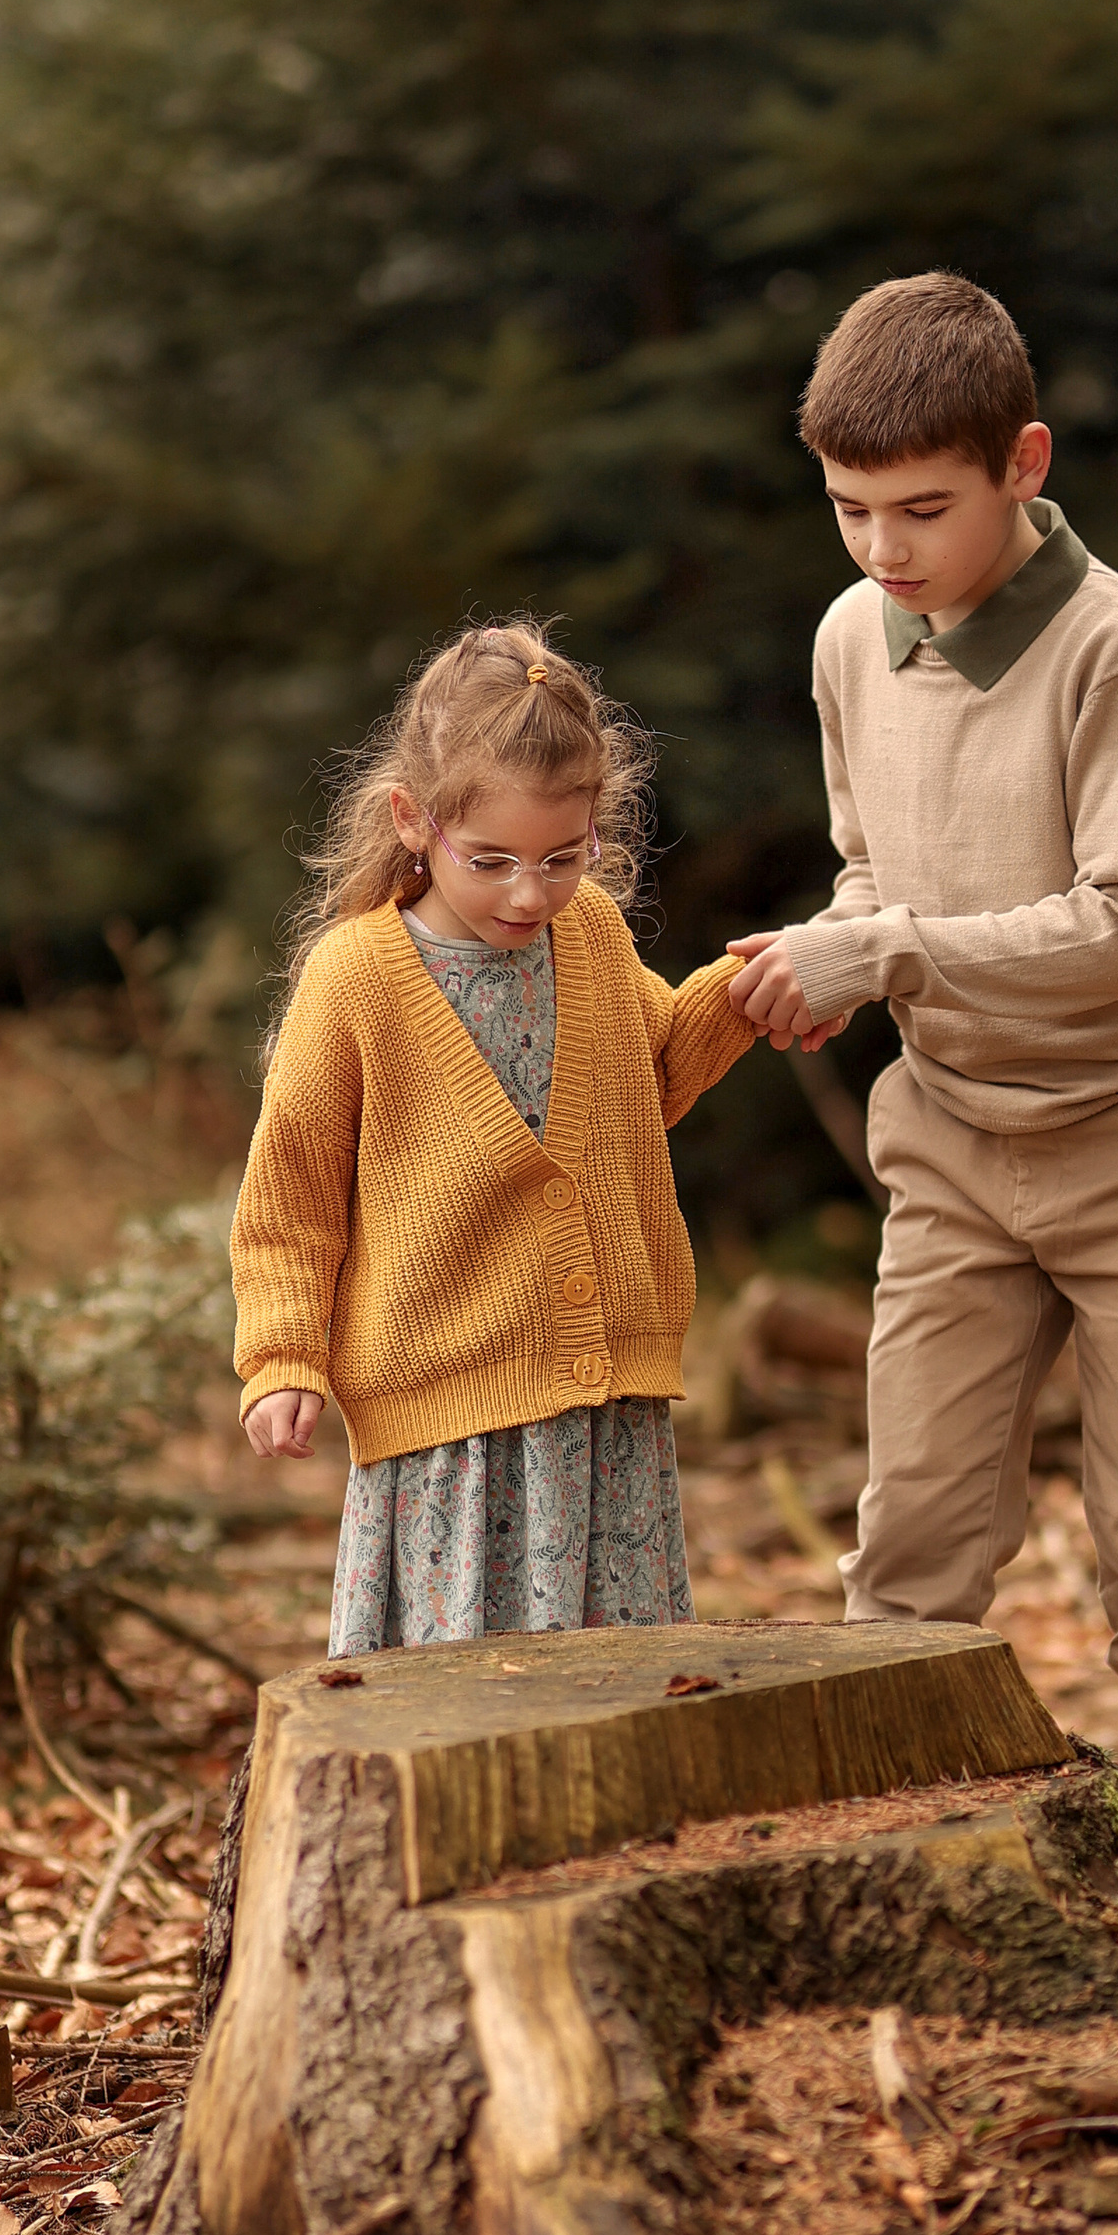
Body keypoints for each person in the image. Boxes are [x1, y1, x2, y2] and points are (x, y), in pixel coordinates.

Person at [724, 272, 1118, 1805]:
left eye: (920, 509)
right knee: (909, 1539)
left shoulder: (1116, 647)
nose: (883, 552)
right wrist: (839, 955)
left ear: (1024, 466)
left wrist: (883, 948)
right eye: (849, 511)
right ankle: (890, 1843)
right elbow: (873, 866)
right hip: (954, 1144)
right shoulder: (852, 636)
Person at [232, 619, 758, 1654]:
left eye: (566, 857)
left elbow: (641, 1083)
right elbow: (291, 1189)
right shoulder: (358, 976)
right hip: (449, 1439)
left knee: (615, 1684)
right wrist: (283, 1354)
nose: (531, 892)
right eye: (493, 860)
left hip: (606, 1419)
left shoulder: (594, 936)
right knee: (463, 1692)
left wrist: (751, 996)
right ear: (413, 821)